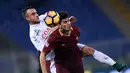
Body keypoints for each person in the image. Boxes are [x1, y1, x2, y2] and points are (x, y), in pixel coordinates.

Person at [22, 6, 127, 73]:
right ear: (27, 18)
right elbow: (44, 51)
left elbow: (57, 17)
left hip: (67, 45)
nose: (36, 15)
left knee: (89, 50)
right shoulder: (33, 35)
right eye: (33, 14)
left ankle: (116, 65)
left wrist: (66, 21)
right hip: (56, 55)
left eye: (35, 12)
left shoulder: (43, 17)